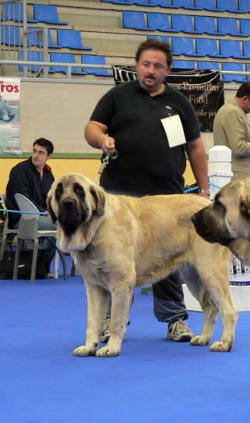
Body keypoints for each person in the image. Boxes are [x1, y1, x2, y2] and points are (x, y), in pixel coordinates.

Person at [84, 39, 210, 343]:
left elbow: (195, 147)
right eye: (145, 64)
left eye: (157, 66)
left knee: (167, 260)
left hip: (165, 196)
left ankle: (175, 320)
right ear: (136, 65)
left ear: (167, 70)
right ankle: (114, 323)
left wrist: (204, 189)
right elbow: (92, 128)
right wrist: (102, 139)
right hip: (117, 196)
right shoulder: (117, 96)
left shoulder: (179, 102)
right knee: (111, 262)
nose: (150, 71)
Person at [5, 137, 57, 269]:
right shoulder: (20, 170)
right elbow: (23, 199)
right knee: (59, 226)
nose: (35, 155)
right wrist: (45, 213)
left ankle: (41, 264)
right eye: (34, 151)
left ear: (48, 156)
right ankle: (39, 262)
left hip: (41, 217)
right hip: (22, 218)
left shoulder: (49, 174)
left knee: (65, 223)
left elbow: (51, 199)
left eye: (41, 152)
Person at [213, 80, 250, 181]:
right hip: (238, 177)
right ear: (245, 98)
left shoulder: (228, 110)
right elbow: (239, 148)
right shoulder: (233, 112)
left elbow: (231, 142)